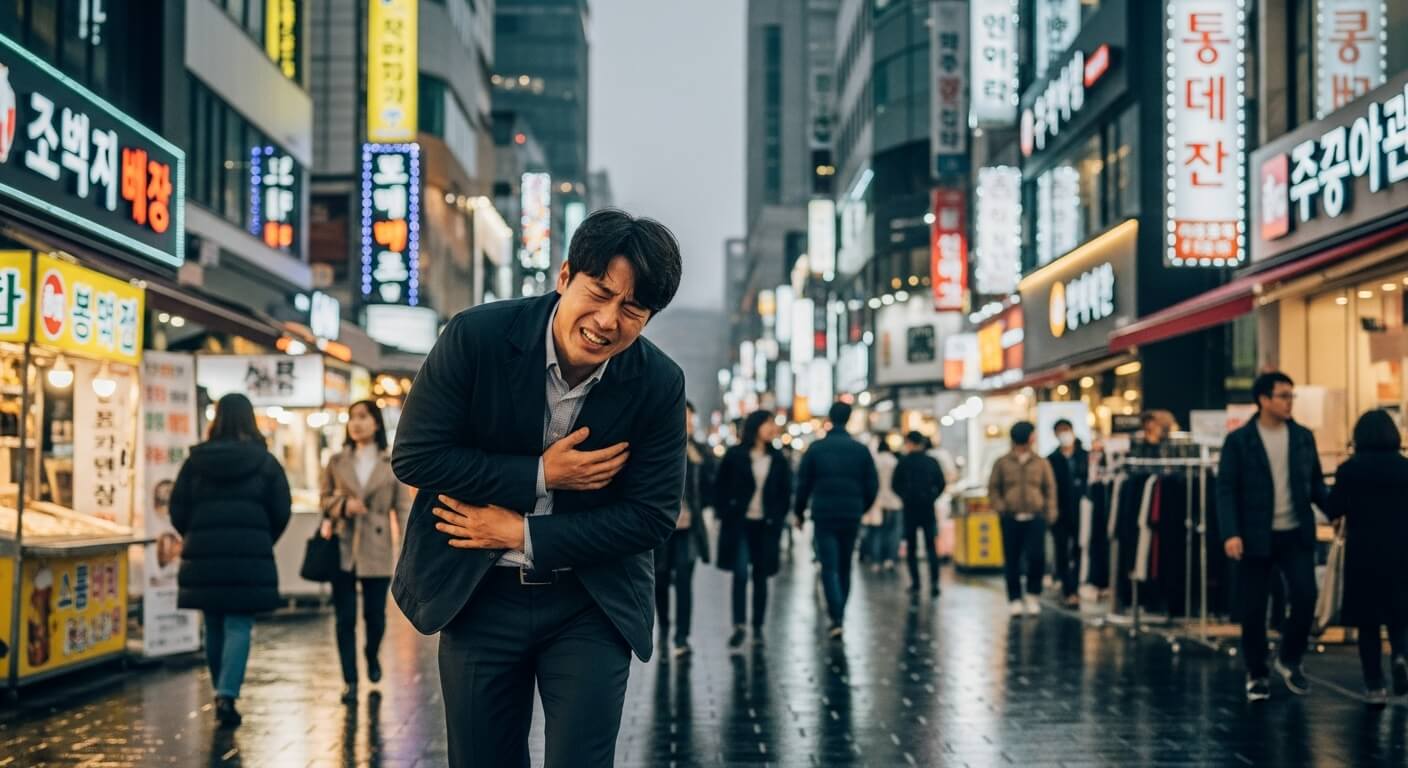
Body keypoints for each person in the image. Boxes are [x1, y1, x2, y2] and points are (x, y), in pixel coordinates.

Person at [389, 209, 686, 768]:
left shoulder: (658, 383)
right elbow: (416, 456)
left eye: (632, 309)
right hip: (479, 592)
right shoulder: (477, 337)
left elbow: (651, 517)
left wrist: (522, 533)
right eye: (600, 293)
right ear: (565, 275)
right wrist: (540, 476)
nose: (607, 320)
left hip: (590, 601)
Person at [170, 393, 291, 728]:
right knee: (239, 623)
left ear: (217, 418)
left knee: (213, 622)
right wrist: (262, 538)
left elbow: (177, 508)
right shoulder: (265, 462)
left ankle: (220, 691)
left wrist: (195, 535)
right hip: (249, 556)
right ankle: (227, 694)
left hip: (204, 555)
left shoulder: (195, 462)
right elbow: (282, 509)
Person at [1217, 371, 1328, 703]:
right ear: (1263, 400)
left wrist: (1335, 511)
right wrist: (1231, 532)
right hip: (1255, 534)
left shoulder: (1303, 437)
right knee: (1253, 607)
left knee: (1306, 595)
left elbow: (1316, 484)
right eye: (1283, 396)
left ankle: (1289, 658)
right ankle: (1256, 672)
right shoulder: (1240, 441)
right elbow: (1225, 489)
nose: (1289, 402)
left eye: (1291, 396)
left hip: (1295, 531)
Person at [320, 399, 409, 704]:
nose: (356, 423)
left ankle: (371, 655)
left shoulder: (391, 461)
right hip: (342, 545)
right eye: (352, 417)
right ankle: (350, 680)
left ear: (376, 422)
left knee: (375, 616)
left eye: (362, 416)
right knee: (344, 619)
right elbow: (323, 499)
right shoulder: (336, 461)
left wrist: (407, 548)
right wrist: (344, 505)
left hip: (377, 546)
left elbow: (402, 507)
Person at [1324, 409, 1408, 707]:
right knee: (1400, 616)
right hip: (1401, 551)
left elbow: (1333, 508)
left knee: (1368, 622)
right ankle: (1400, 656)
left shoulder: (1350, 470)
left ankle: (1375, 686)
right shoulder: (1405, 468)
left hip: (1363, 553)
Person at [795, 401, 878, 639]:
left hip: (824, 514)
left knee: (828, 566)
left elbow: (803, 484)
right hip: (851, 514)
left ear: (829, 418)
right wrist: (861, 507)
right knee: (845, 565)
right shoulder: (860, 450)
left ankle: (836, 616)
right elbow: (872, 485)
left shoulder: (816, 449)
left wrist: (799, 512)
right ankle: (840, 614)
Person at [714, 410, 790, 649]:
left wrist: (778, 516)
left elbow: (785, 491)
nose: (772, 428)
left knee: (761, 575)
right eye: (767, 423)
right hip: (740, 523)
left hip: (765, 525)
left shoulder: (778, 458)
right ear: (755, 426)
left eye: (773, 424)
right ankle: (739, 625)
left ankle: (757, 626)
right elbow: (720, 486)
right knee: (740, 573)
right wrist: (725, 510)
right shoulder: (735, 455)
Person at [655, 400, 713, 658]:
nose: (689, 424)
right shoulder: (659, 449)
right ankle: (664, 627)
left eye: (691, 419)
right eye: (684, 418)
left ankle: (682, 637)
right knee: (660, 581)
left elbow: (711, 486)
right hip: (660, 530)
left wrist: (700, 462)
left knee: (684, 582)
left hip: (689, 528)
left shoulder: (699, 451)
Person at [989, 421, 1058, 618]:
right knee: (1012, 559)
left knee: (1036, 557)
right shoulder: (1002, 462)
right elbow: (993, 488)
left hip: (1035, 517)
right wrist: (1001, 507)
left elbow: (1050, 488)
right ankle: (1014, 599)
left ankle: (1033, 595)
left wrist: (1050, 512)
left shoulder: (1040, 462)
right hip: (1010, 518)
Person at [892, 431, 946, 597]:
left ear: (909, 443)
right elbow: (941, 483)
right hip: (927, 507)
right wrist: (932, 496)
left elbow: (895, 484)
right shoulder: (931, 461)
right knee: (931, 546)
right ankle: (934, 582)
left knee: (912, 547)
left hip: (910, 509)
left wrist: (905, 497)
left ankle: (916, 583)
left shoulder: (903, 462)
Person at [1046, 419, 1089, 608]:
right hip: (1060, 512)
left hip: (1083, 511)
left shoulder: (1085, 456)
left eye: (1066, 430)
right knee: (1061, 551)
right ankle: (1068, 589)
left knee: (1080, 550)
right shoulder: (1052, 459)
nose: (1064, 434)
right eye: (1060, 431)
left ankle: (1077, 587)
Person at [862, 439, 902, 573]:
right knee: (893, 532)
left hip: (877, 502)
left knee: (876, 532)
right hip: (894, 501)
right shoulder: (895, 461)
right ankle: (890, 559)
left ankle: (876, 560)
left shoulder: (874, 461)